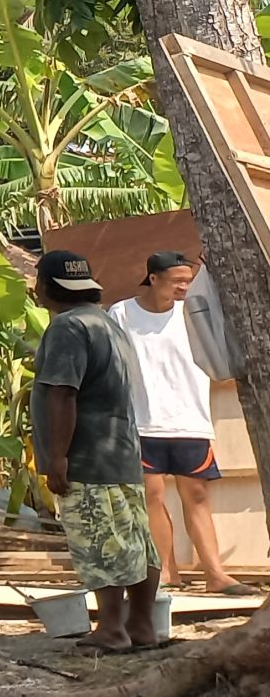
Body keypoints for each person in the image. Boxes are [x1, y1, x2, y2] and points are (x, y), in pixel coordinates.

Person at [32, 249, 165, 650]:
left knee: (100, 542)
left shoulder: (66, 328)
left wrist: (58, 457)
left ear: (48, 287)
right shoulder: (106, 323)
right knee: (137, 542)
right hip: (121, 453)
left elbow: (63, 395)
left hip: (87, 457)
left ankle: (110, 629)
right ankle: (141, 626)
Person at [110, 252, 264, 598]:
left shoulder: (194, 311)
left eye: (187, 281)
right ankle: (166, 570)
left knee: (196, 496)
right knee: (151, 495)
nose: (183, 286)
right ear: (153, 278)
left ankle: (215, 573)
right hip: (142, 420)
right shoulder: (121, 313)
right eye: (177, 280)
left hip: (190, 418)